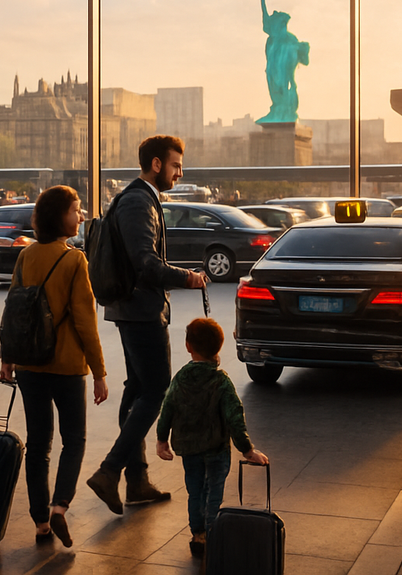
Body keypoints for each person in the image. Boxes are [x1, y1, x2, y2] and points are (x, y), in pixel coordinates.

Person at [86, 135, 209, 514]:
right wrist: (187, 278)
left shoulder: (134, 198)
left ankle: (137, 481)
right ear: (156, 164)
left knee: (138, 388)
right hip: (140, 311)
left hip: (130, 309)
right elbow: (146, 263)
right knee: (156, 390)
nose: (180, 172)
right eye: (175, 165)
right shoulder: (140, 201)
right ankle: (108, 472)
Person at [0, 186, 109, 548]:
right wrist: (99, 372)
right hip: (66, 366)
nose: (80, 216)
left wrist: (7, 359)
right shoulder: (74, 260)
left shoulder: (26, 255)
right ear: (59, 216)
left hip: (30, 363)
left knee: (38, 442)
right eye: (76, 210)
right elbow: (85, 322)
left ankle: (40, 523)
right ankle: (60, 505)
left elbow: (13, 312)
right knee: (73, 439)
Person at [156, 318, 268, 558]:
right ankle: (212, 532)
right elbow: (234, 416)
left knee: (195, 490)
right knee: (214, 489)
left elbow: (168, 407)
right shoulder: (221, 381)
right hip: (216, 448)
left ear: (188, 346)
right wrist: (247, 450)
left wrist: (161, 439)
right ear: (219, 347)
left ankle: (198, 535)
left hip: (189, 448)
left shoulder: (180, 378)